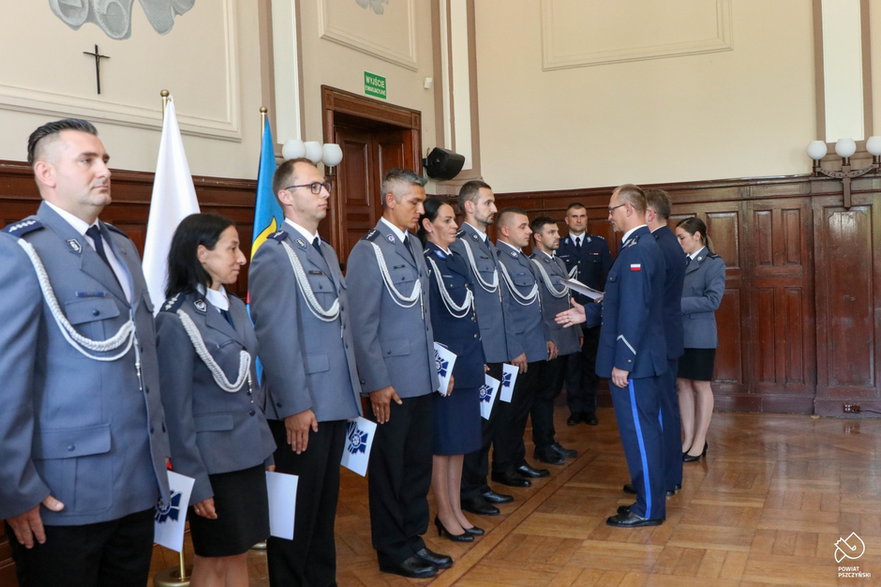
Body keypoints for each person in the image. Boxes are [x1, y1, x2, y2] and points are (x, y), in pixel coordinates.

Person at [0, 118, 171, 586]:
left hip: (137, 479)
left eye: (105, 160)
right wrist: (16, 492)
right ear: (46, 173)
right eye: (87, 160)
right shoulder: (20, 250)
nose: (104, 170)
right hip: (64, 494)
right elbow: (5, 384)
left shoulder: (119, 247)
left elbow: (144, 361)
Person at [249, 158, 363, 587]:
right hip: (303, 406)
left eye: (325, 185)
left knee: (322, 508)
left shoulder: (325, 250)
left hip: (334, 400)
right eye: (314, 186)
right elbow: (275, 338)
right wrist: (295, 405)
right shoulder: (274, 255)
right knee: (294, 515)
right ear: (285, 196)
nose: (326, 193)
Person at [156, 213, 276, 587]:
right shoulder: (176, 319)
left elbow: (248, 390)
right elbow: (175, 412)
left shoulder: (235, 307)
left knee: (238, 553)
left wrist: (266, 452)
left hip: (248, 454)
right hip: (213, 463)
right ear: (202, 254)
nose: (241, 258)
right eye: (232, 248)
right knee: (212, 560)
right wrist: (196, 481)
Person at [347, 168, 450, 579]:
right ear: (390, 200)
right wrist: (376, 384)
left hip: (420, 378)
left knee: (415, 467)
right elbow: (362, 325)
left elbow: (422, 319)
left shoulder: (412, 245)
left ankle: (413, 539)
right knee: (390, 470)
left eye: (423, 202)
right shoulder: (368, 251)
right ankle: (392, 550)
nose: (420, 210)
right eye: (414, 202)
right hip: (391, 384)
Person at [597, 184, 668, 527]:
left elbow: (635, 311)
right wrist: (587, 314)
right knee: (644, 434)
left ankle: (649, 509)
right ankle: (646, 500)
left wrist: (622, 362)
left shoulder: (638, 250)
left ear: (628, 209)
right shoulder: (639, 246)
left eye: (612, 210)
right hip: (643, 359)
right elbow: (623, 303)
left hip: (635, 363)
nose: (608, 216)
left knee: (641, 437)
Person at [418, 197, 486, 542]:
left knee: (460, 443)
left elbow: (469, 313)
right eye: (445, 219)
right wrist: (438, 367)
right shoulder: (425, 262)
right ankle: (444, 514)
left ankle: (457, 509)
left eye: (453, 218)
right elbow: (428, 320)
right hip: (448, 367)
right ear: (428, 225)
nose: (453, 224)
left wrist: (480, 356)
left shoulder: (455, 258)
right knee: (443, 444)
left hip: (469, 361)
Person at [450, 180, 514, 516]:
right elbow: (465, 304)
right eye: (488, 203)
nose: (494, 208)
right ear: (470, 207)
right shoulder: (461, 244)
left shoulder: (485, 245)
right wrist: (479, 354)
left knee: (489, 422)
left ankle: (481, 484)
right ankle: (468, 491)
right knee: (475, 423)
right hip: (482, 351)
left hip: (496, 348)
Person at [622, 189, 686, 498]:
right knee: (665, 412)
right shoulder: (667, 242)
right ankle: (663, 477)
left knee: (661, 414)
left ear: (648, 214)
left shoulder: (657, 245)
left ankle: (660, 479)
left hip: (656, 339)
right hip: (666, 336)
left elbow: (645, 299)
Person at [493, 207, 553, 487]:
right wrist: (515, 348)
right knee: (509, 412)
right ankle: (504, 466)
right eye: (524, 227)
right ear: (506, 230)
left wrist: (546, 337)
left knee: (522, 411)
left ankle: (517, 460)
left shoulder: (522, 260)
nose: (530, 232)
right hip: (517, 352)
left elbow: (535, 305)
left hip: (534, 346)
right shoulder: (500, 260)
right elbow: (504, 310)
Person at [528, 216, 580, 465]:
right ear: (537, 237)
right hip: (549, 339)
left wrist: (578, 332)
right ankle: (543, 445)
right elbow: (535, 307)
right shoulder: (533, 265)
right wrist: (546, 337)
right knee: (544, 395)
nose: (557, 235)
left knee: (553, 393)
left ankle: (550, 440)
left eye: (557, 231)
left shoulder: (558, 262)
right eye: (551, 232)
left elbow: (566, 298)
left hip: (566, 335)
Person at [675, 217, 726, 462]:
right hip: (678, 333)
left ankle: (699, 441)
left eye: (681, 237)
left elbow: (712, 301)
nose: (678, 242)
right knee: (682, 385)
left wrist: (676, 304)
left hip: (700, 334)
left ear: (697, 236)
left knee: (700, 386)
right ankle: (687, 438)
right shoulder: (679, 262)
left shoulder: (714, 264)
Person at [557, 203, 612, 426]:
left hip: (592, 313)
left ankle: (589, 409)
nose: (579, 220)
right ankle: (575, 409)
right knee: (572, 364)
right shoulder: (558, 246)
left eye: (582, 216)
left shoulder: (598, 243)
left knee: (590, 363)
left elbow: (607, 277)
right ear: (566, 220)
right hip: (569, 313)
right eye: (574, 216)